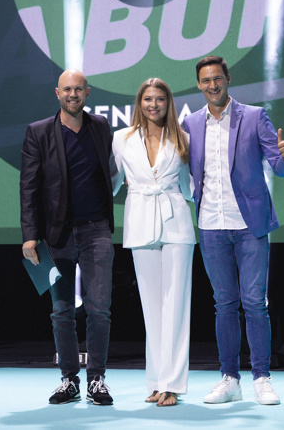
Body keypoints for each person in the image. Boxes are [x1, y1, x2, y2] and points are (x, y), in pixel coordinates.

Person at [181, 56, 284, 406]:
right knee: (224, 304)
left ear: (228, 79)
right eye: (206, 80)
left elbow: (280, 167)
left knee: (254, 303)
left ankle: (262, 377)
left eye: (217, 78)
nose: (212, 85)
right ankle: (229, 378)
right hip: (210, 225)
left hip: (249, 224)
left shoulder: (255, 116)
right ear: (198, 85)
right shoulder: (190, 123)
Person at [21, 69, 115, 406]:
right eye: (67, 89)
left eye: (78, 89)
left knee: (99, 309)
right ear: (57, 93)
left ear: (87, 93)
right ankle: (69, 380)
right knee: (61, 311)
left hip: (97, 230)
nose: (73, 94)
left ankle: (97, 379)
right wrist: (30, 236)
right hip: (57, 235)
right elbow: (29, 187)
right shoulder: (39, 132)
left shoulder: (101, 126)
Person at [112, 78, 195, 407]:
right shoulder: (121, 139)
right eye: (148, 99)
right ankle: (157, 381)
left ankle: (172, 385)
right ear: (140, 102)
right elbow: (112, 182)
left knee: (176, 306)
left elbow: (189, 186)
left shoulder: (183, 137)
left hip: (177, 224)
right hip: (140, 223)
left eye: (160, 99)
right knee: (152, 308)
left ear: (168, 103)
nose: (154, 104)